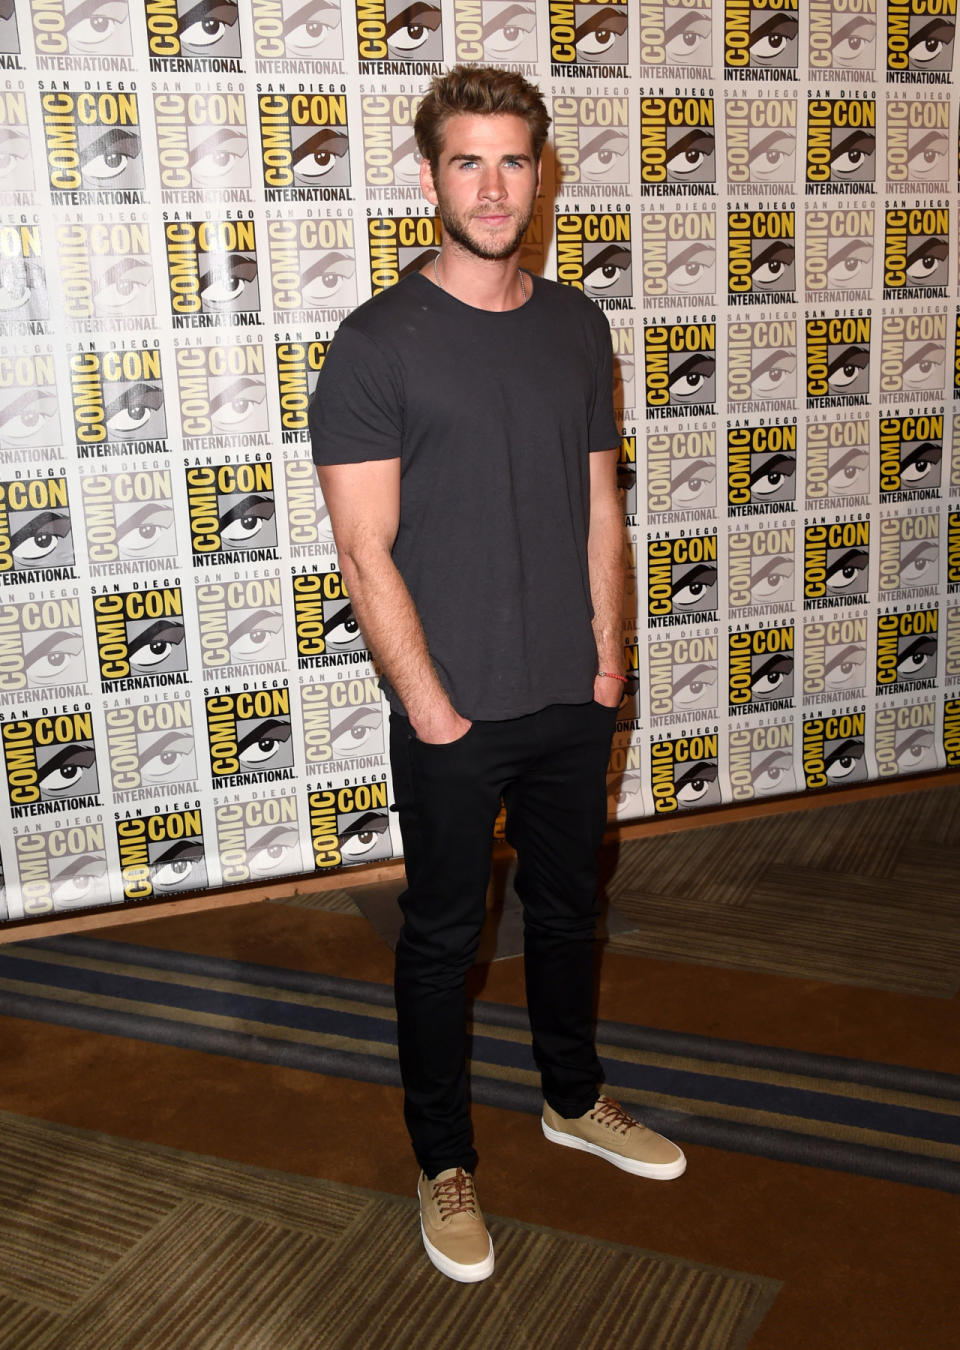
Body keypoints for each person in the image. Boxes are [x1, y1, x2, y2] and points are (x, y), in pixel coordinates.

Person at [310, 65, 686, 1285]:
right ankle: (442, 1160)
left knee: (574, 908)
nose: (492, 184)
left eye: (513, 160)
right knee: (442, 940)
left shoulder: (579, 324)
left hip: (571, 698)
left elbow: (597, 512)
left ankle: (573, 1097)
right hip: (452, 706)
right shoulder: (374, 346)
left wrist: (609, 665)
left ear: (540, 175)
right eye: (467, 160)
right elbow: (364, 551)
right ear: (431, 178)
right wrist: (430, 705)